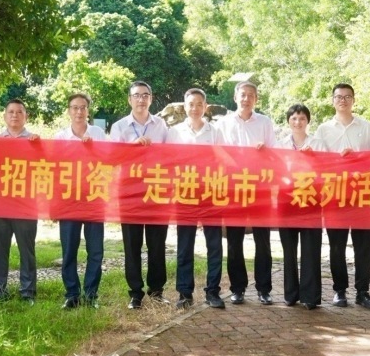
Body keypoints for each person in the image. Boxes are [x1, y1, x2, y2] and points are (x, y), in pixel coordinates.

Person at [311, 83, 370, 310]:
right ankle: (339, 290)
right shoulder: (323, 130)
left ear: (353, 100)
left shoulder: (367, 127)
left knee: (363, 246)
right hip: (334, 195)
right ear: (333, 100)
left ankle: (363, 291)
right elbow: (318, 162)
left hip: (362, 194)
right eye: (339, 97)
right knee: (336, 246)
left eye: (347, 97)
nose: (343, 100)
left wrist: (356, 159)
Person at [109, 81, 170, 309]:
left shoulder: (161, 125)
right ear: (129, 99)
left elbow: (171, 156)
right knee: (132, 245)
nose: (141, 99)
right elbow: (112, 158)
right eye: (136, 95)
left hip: (156, 190)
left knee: (157, 244)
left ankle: (156, 290)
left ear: (151, 99)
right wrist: (132, 146)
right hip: (130, 193)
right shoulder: (119, 127)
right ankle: (135, 293)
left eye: (145, 95)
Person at [217, 81, 277, 306]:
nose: (246, 99)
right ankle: (237, 288)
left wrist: (265, 151)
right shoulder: (223, 124)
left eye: (251, 95)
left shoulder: (265, 123)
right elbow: (217, 153)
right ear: (235, 97)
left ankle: (264, 289)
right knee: (234, 241)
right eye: (243, 94)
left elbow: (275, 153)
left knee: (263, 241)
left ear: (256, 99)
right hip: (234, 187)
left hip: (260, 188)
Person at [167, 88, 226, 310]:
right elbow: (168, 162)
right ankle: (184, 293)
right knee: (185, 245)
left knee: (214, 245)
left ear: (205, 106)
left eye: (199, 104)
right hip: (185, 193)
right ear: (185, 106)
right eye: (191, 104)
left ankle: (213, 291)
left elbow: (223, 160)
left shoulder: (215, 132)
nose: (195, 108)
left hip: (211, 191)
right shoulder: (175, 132)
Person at [53, 93, 106, 310]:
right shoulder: (60, 137)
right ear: (69, 111)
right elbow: (54, 169)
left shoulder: (98, 134)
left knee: (96, 251)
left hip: (94, 198)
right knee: (69, 250)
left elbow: (108, 162)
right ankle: (72, 294)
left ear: (88, 110)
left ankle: (91, 295)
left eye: (83, 107)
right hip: (69, 200)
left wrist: (93, 149)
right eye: (75, 107)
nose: (79, 111)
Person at [0, 98, 40, 304]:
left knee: (26, 250)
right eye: (11, 112)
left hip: (25, 205)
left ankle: (28, 291)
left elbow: (45, 170)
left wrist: (39, 148)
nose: (15, 115)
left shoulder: (35, 142)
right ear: (4, 116)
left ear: (26, 116)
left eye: (19, 112)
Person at [277, 103, 322, 309]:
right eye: (294, 118)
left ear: (308, 121)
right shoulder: (280, 145)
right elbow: (274, 171)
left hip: (311, 199)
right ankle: (290, 294)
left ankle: (310, 296)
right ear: (288, 121)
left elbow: (327, 169)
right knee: (289, 250)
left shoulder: (318, 144)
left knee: (311, 249)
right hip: (286, 200)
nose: (298, 122)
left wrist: (314, 158)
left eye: (302, 118)